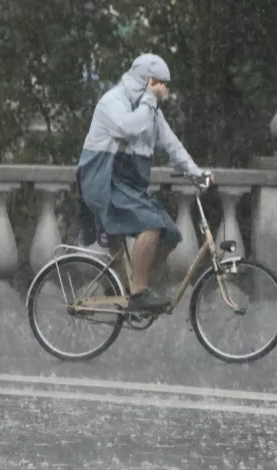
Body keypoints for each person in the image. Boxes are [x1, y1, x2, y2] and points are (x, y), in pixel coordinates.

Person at [76, 53, 210, 312]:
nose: (164, 90)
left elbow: (172, 145)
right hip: (105, 181)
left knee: (169, 234)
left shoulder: (150, 110)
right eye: (160, 83)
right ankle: (138, 294)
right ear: (148, 81)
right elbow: (128, 127)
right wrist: (149, 98)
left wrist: (196, 173)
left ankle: (128, 286)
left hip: (129, 186)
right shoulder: (113, 102)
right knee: (151, 225)